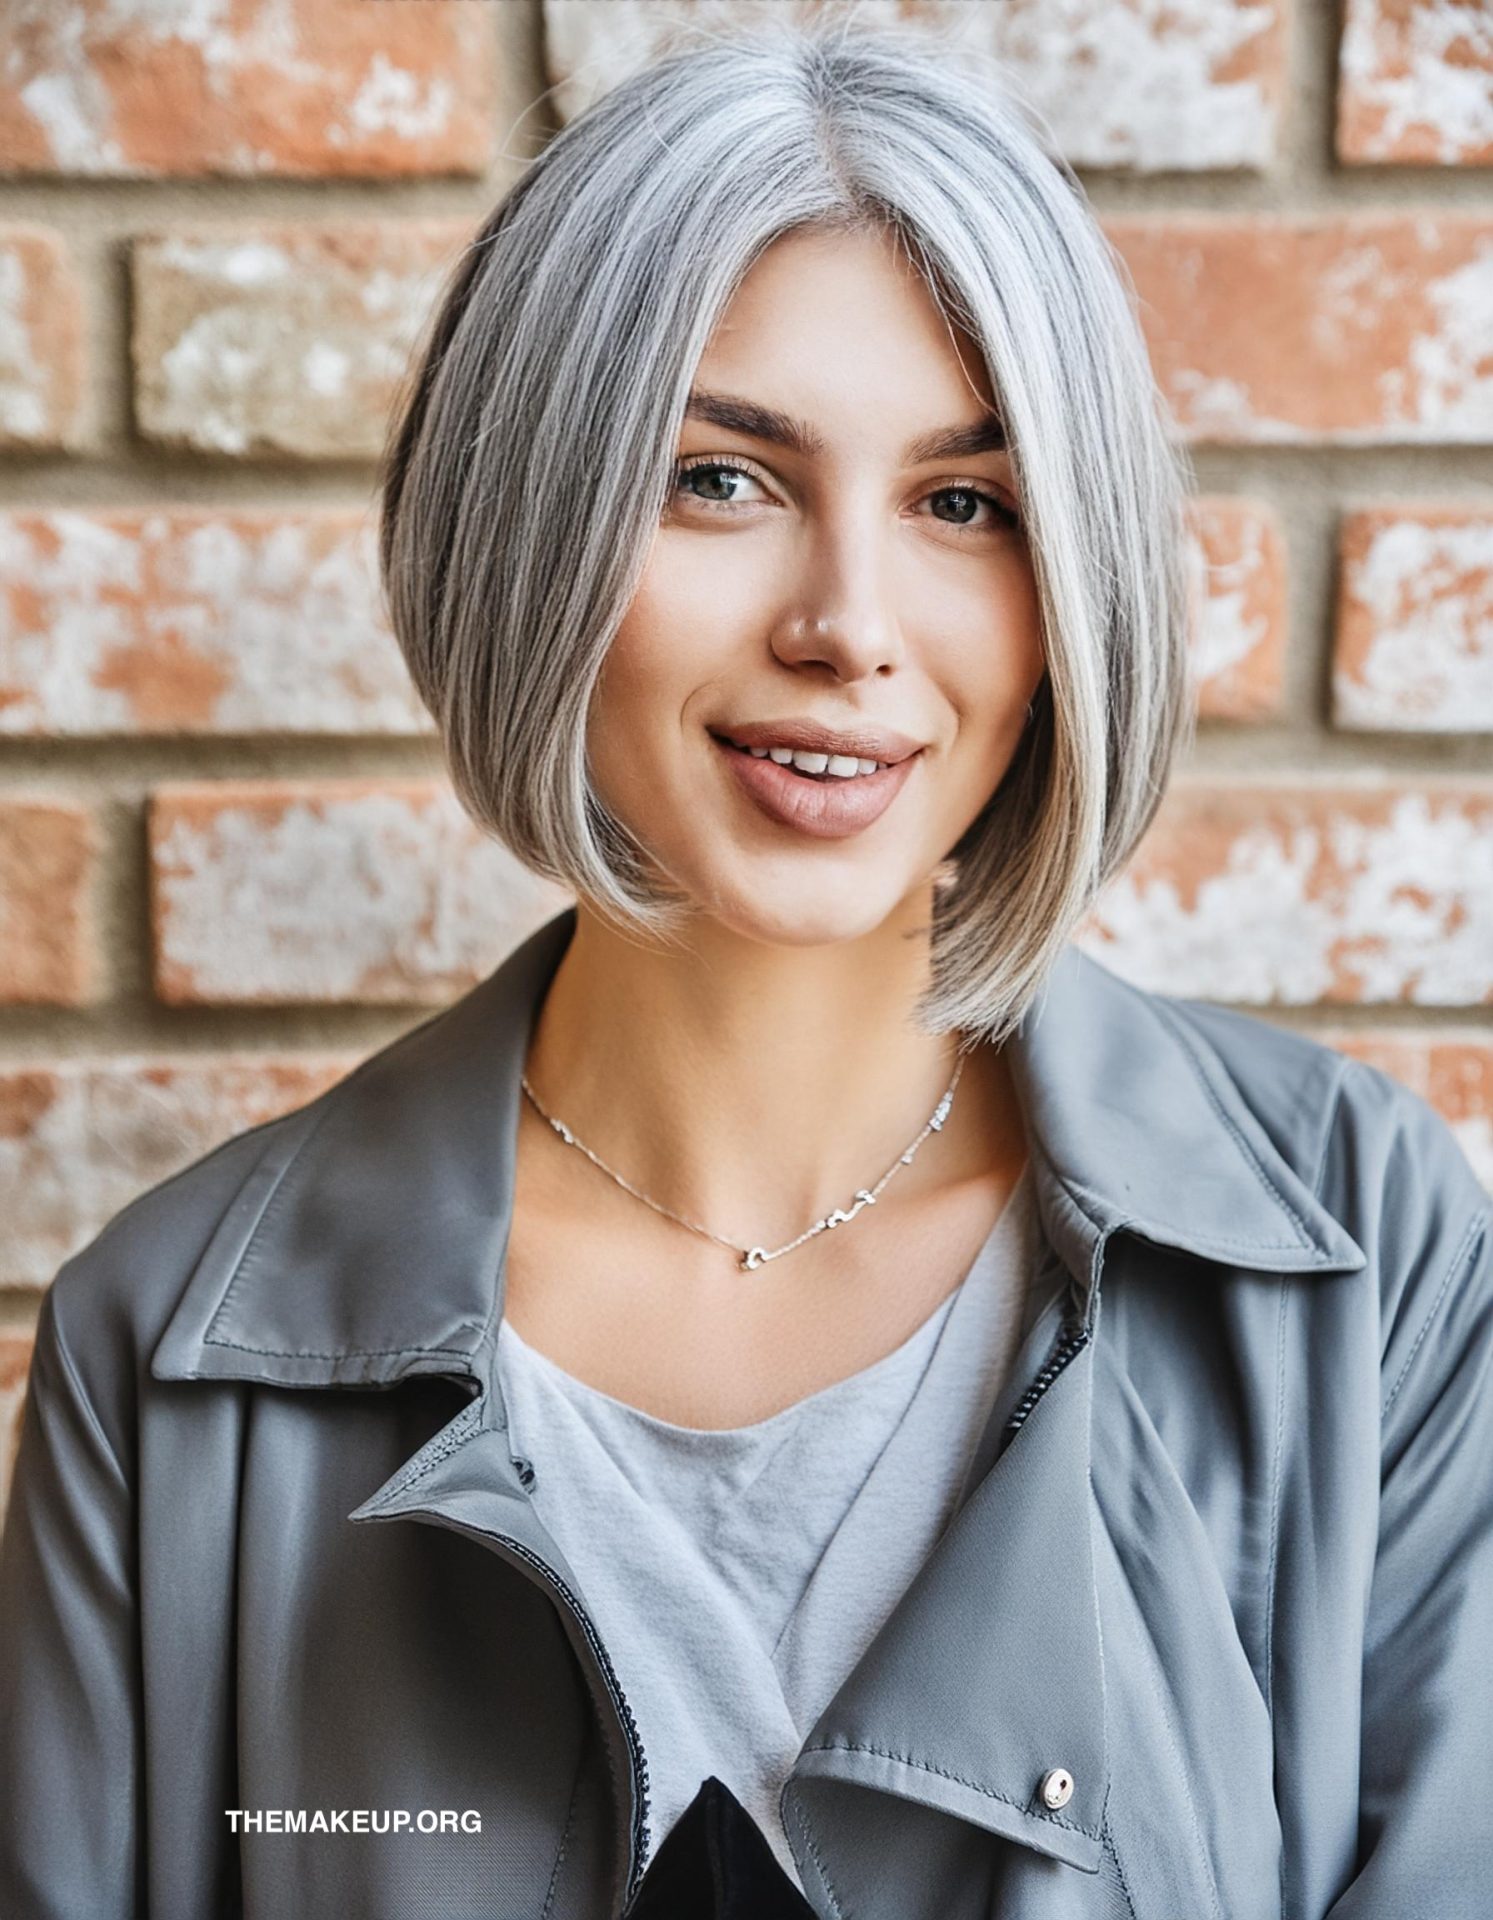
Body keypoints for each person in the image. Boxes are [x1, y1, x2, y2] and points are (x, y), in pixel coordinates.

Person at [2, 15, 1490, 1919]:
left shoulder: (1364, 1262)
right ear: (528, 527)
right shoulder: (169, 1361)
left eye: (963, 502)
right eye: (721, 479)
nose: (847, 626)